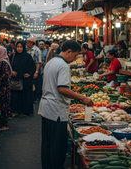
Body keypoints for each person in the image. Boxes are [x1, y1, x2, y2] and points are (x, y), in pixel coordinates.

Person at [39, 40, 93, 169]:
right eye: (74, 55)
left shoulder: (51, 62)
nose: (74, 59)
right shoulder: (63, 65)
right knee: (57, 144)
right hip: (56, 110)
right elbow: (62, 89)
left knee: (47, 142)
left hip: (46, 108)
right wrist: (82, 98)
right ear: (69, 51)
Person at [10, 41, 36, 116]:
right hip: (16, 80)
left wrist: (29, 74)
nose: (19, 48)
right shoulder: (13, 56)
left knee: (25, 96)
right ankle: (16, 111)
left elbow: (33, 66)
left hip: (25, 80)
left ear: (23, 47)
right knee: (16, 96)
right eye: (18, 47)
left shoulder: (27, 56)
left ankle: (25, 111)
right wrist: (12, 71)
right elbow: (9, 65)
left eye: (21, 47)